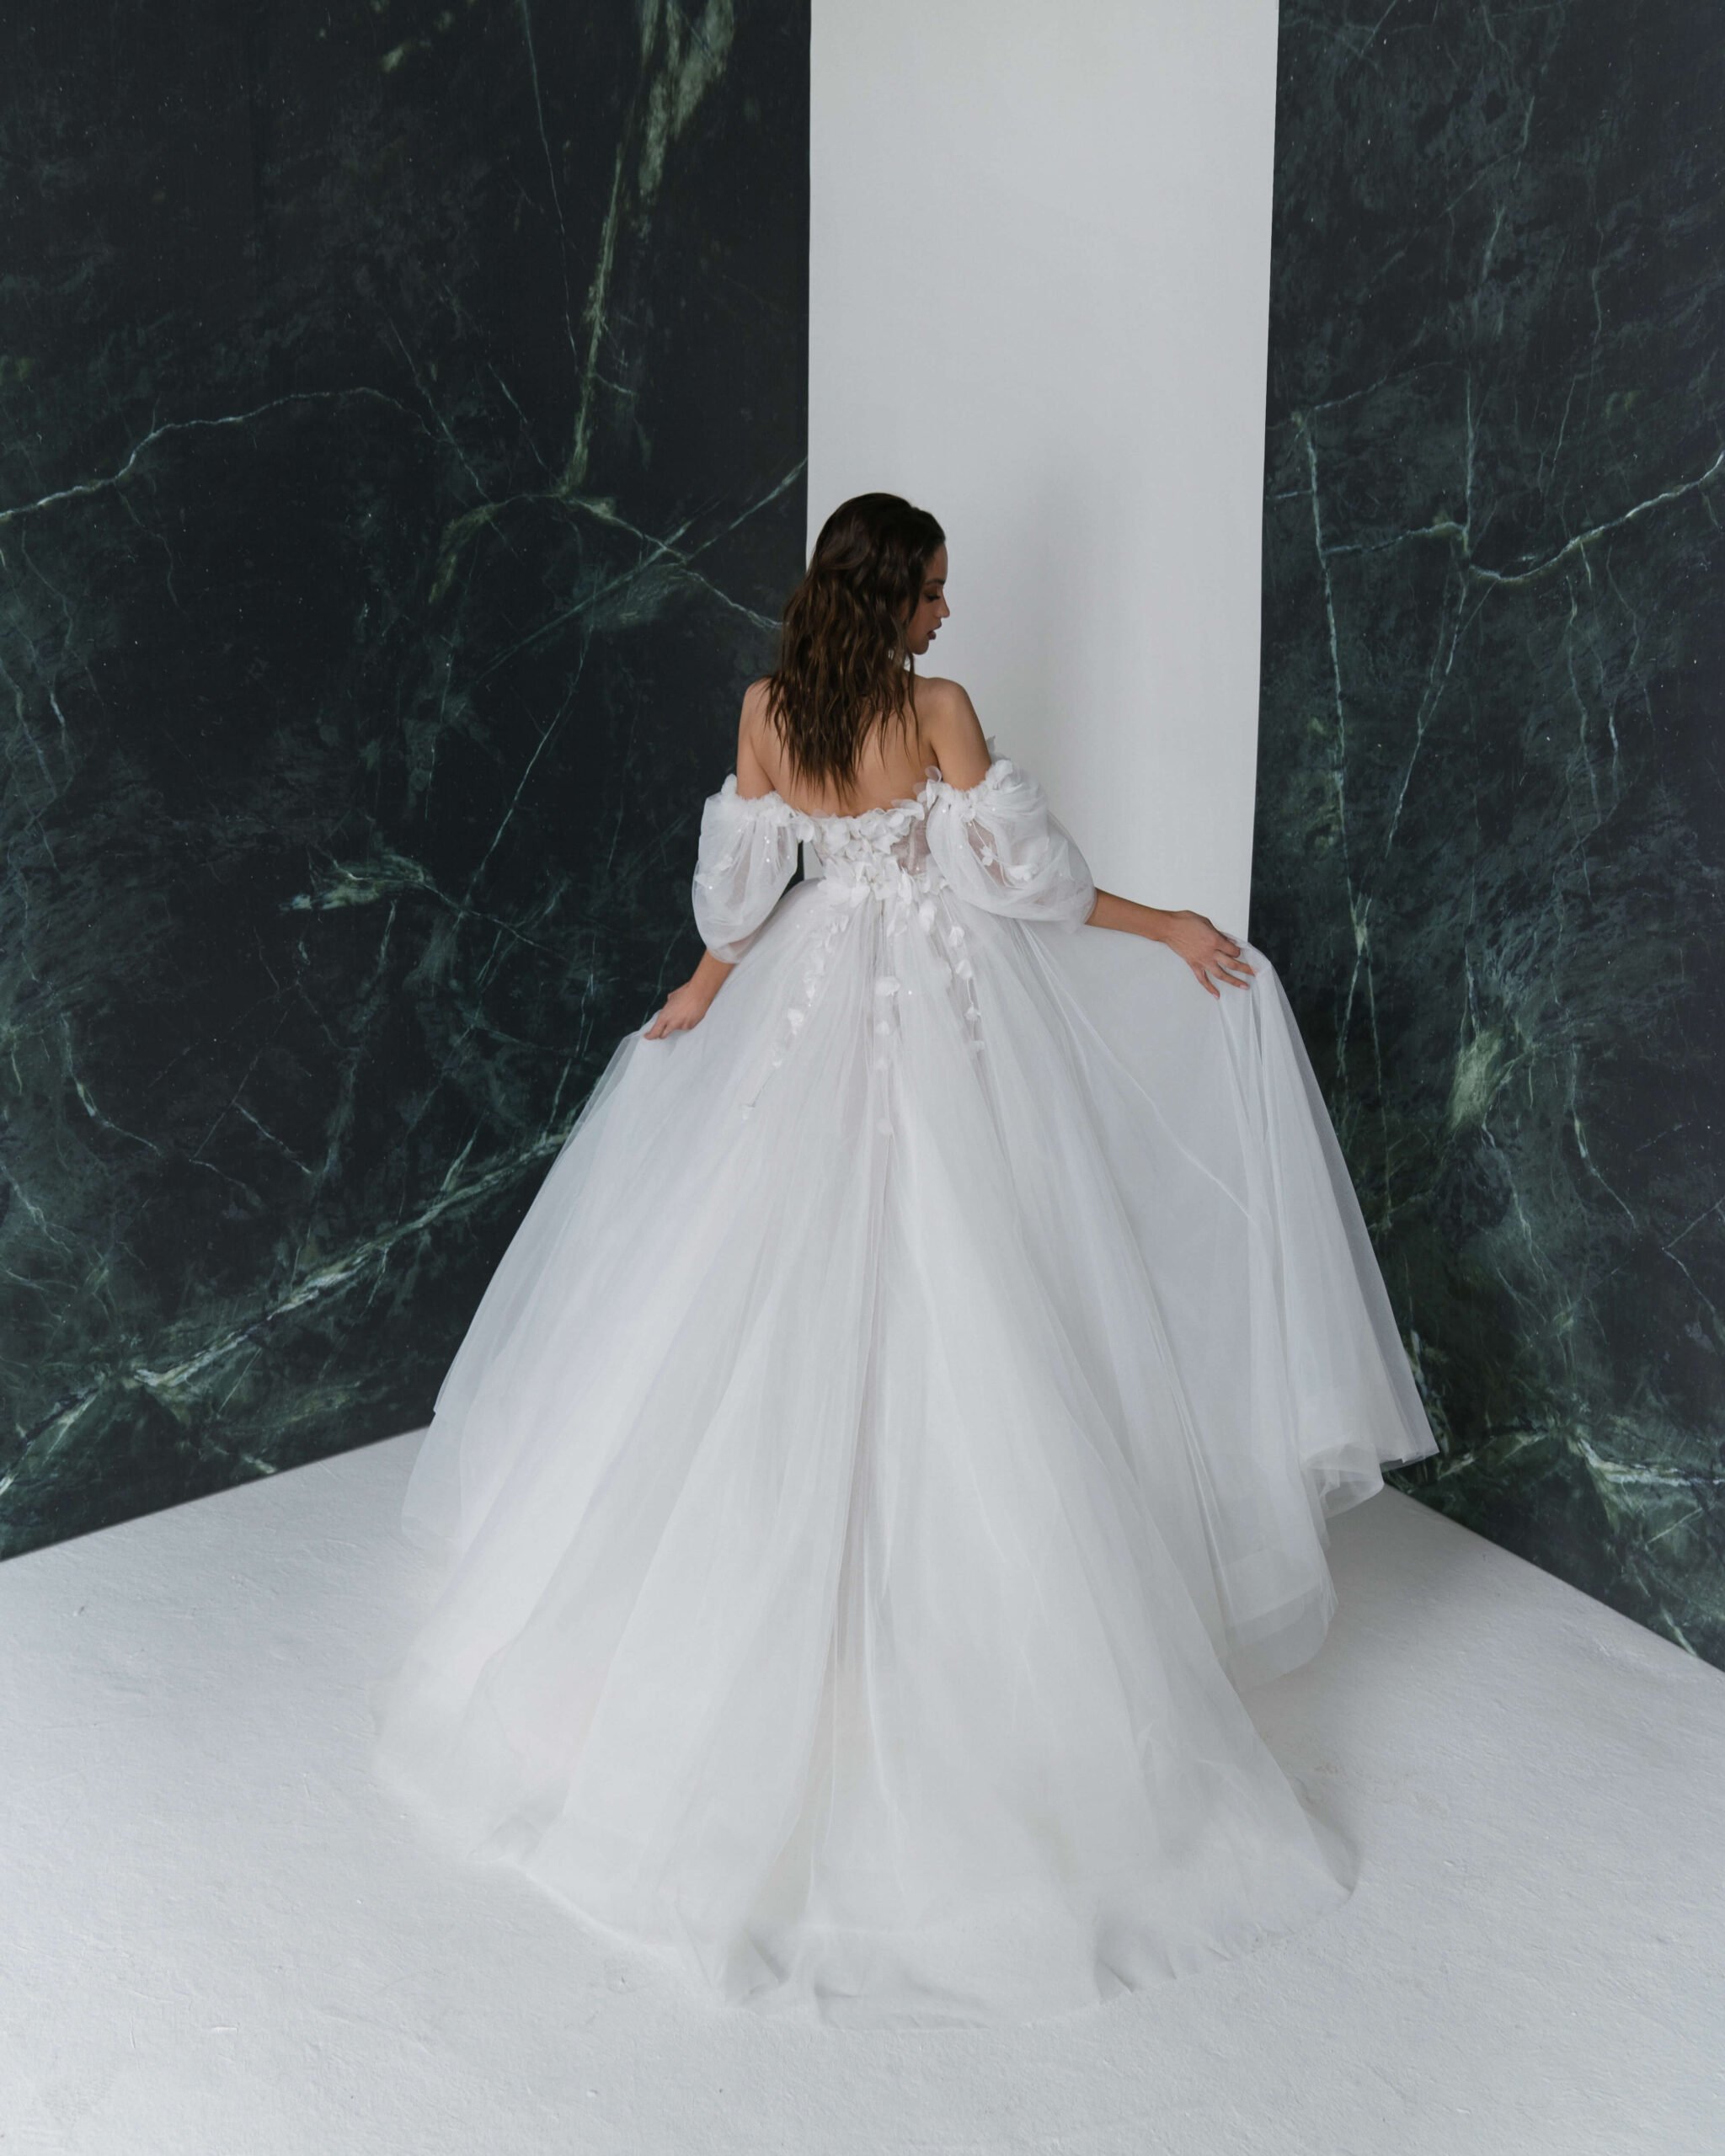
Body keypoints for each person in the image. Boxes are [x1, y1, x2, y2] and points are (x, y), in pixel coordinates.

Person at [368, 492, 1439, 2029]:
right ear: (887, 598)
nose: (948, 611)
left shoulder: (768, 711)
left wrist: (704, 991)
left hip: (809, 1013)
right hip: (940, 1016)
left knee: (800, 1292)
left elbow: (744, 902)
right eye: (933, 589)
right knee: (966, 1294)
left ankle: (813, 1619)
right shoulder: (935, 710)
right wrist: (1167, 926)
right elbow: (1030, 886)